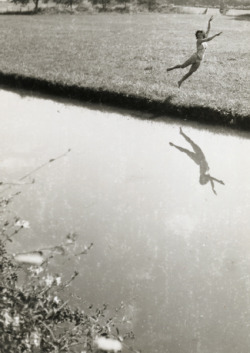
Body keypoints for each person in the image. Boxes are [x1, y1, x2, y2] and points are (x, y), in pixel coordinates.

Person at [167, 16, 222, 87]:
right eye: (202, 32)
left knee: (191, 72)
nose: (204, 32)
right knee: (182, 66)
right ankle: (171, 68)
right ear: (199, 35)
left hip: (199, 60)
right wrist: (216, 35)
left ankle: (180, 81)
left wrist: (209, 21)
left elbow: (208, 29)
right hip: (195, 57)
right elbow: (208, 39)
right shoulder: (199, 41)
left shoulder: (204, 38)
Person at [169, 127, 225, 195]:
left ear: (202, 179)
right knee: (190, 144)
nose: (205, 180)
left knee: (187, 149)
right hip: (201, 156)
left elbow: (211, 178)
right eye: (205, 181)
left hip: (198, 160)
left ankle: (177, 141)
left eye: (204, 181)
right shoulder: (205, 174)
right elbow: (211, 180)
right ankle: (181, 134)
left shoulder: (202, 174)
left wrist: (219, 182)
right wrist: (213, 188)